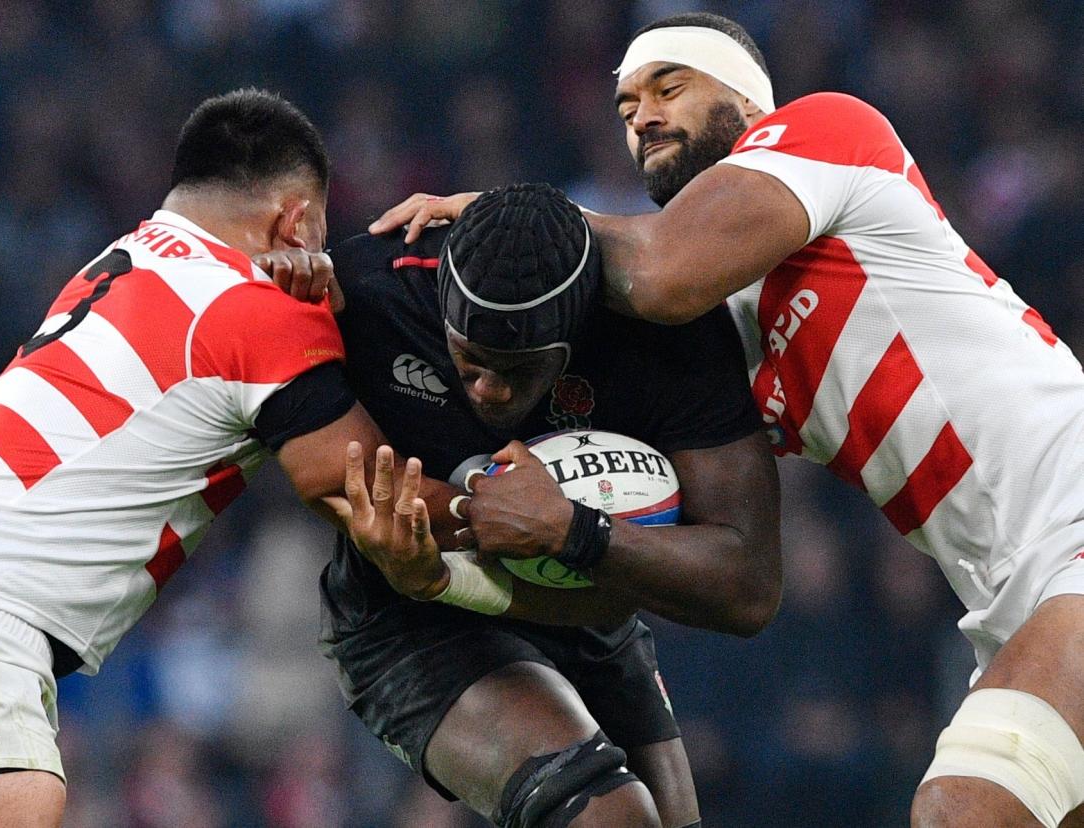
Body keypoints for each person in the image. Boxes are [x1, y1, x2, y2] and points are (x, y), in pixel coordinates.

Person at [369, 11, 1084, 828]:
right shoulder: (717, 337)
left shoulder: (828, 132)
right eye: (626, 106)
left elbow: (665, 269)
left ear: (748, 100)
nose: (642, 115)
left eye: (669, 86)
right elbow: (720, 566)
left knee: (964, 810)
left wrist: (521, 225)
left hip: (1073, 524)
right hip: (1010, 599)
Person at [0, 88, 462, 828]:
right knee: (24, 795)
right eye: (319, 232)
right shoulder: (253, 309)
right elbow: (375, 497)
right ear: (294, 220)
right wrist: (540, 513)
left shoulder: (124, 261)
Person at [326, 183, 780, 828]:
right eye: (467, 361)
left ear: (575, 339)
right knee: (608, 817)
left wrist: (571, 530)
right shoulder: (371, 291)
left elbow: (749, 587)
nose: (485, 388)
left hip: (592, 606)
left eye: (516, 370)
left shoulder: (668, 329)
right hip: (411, 613)